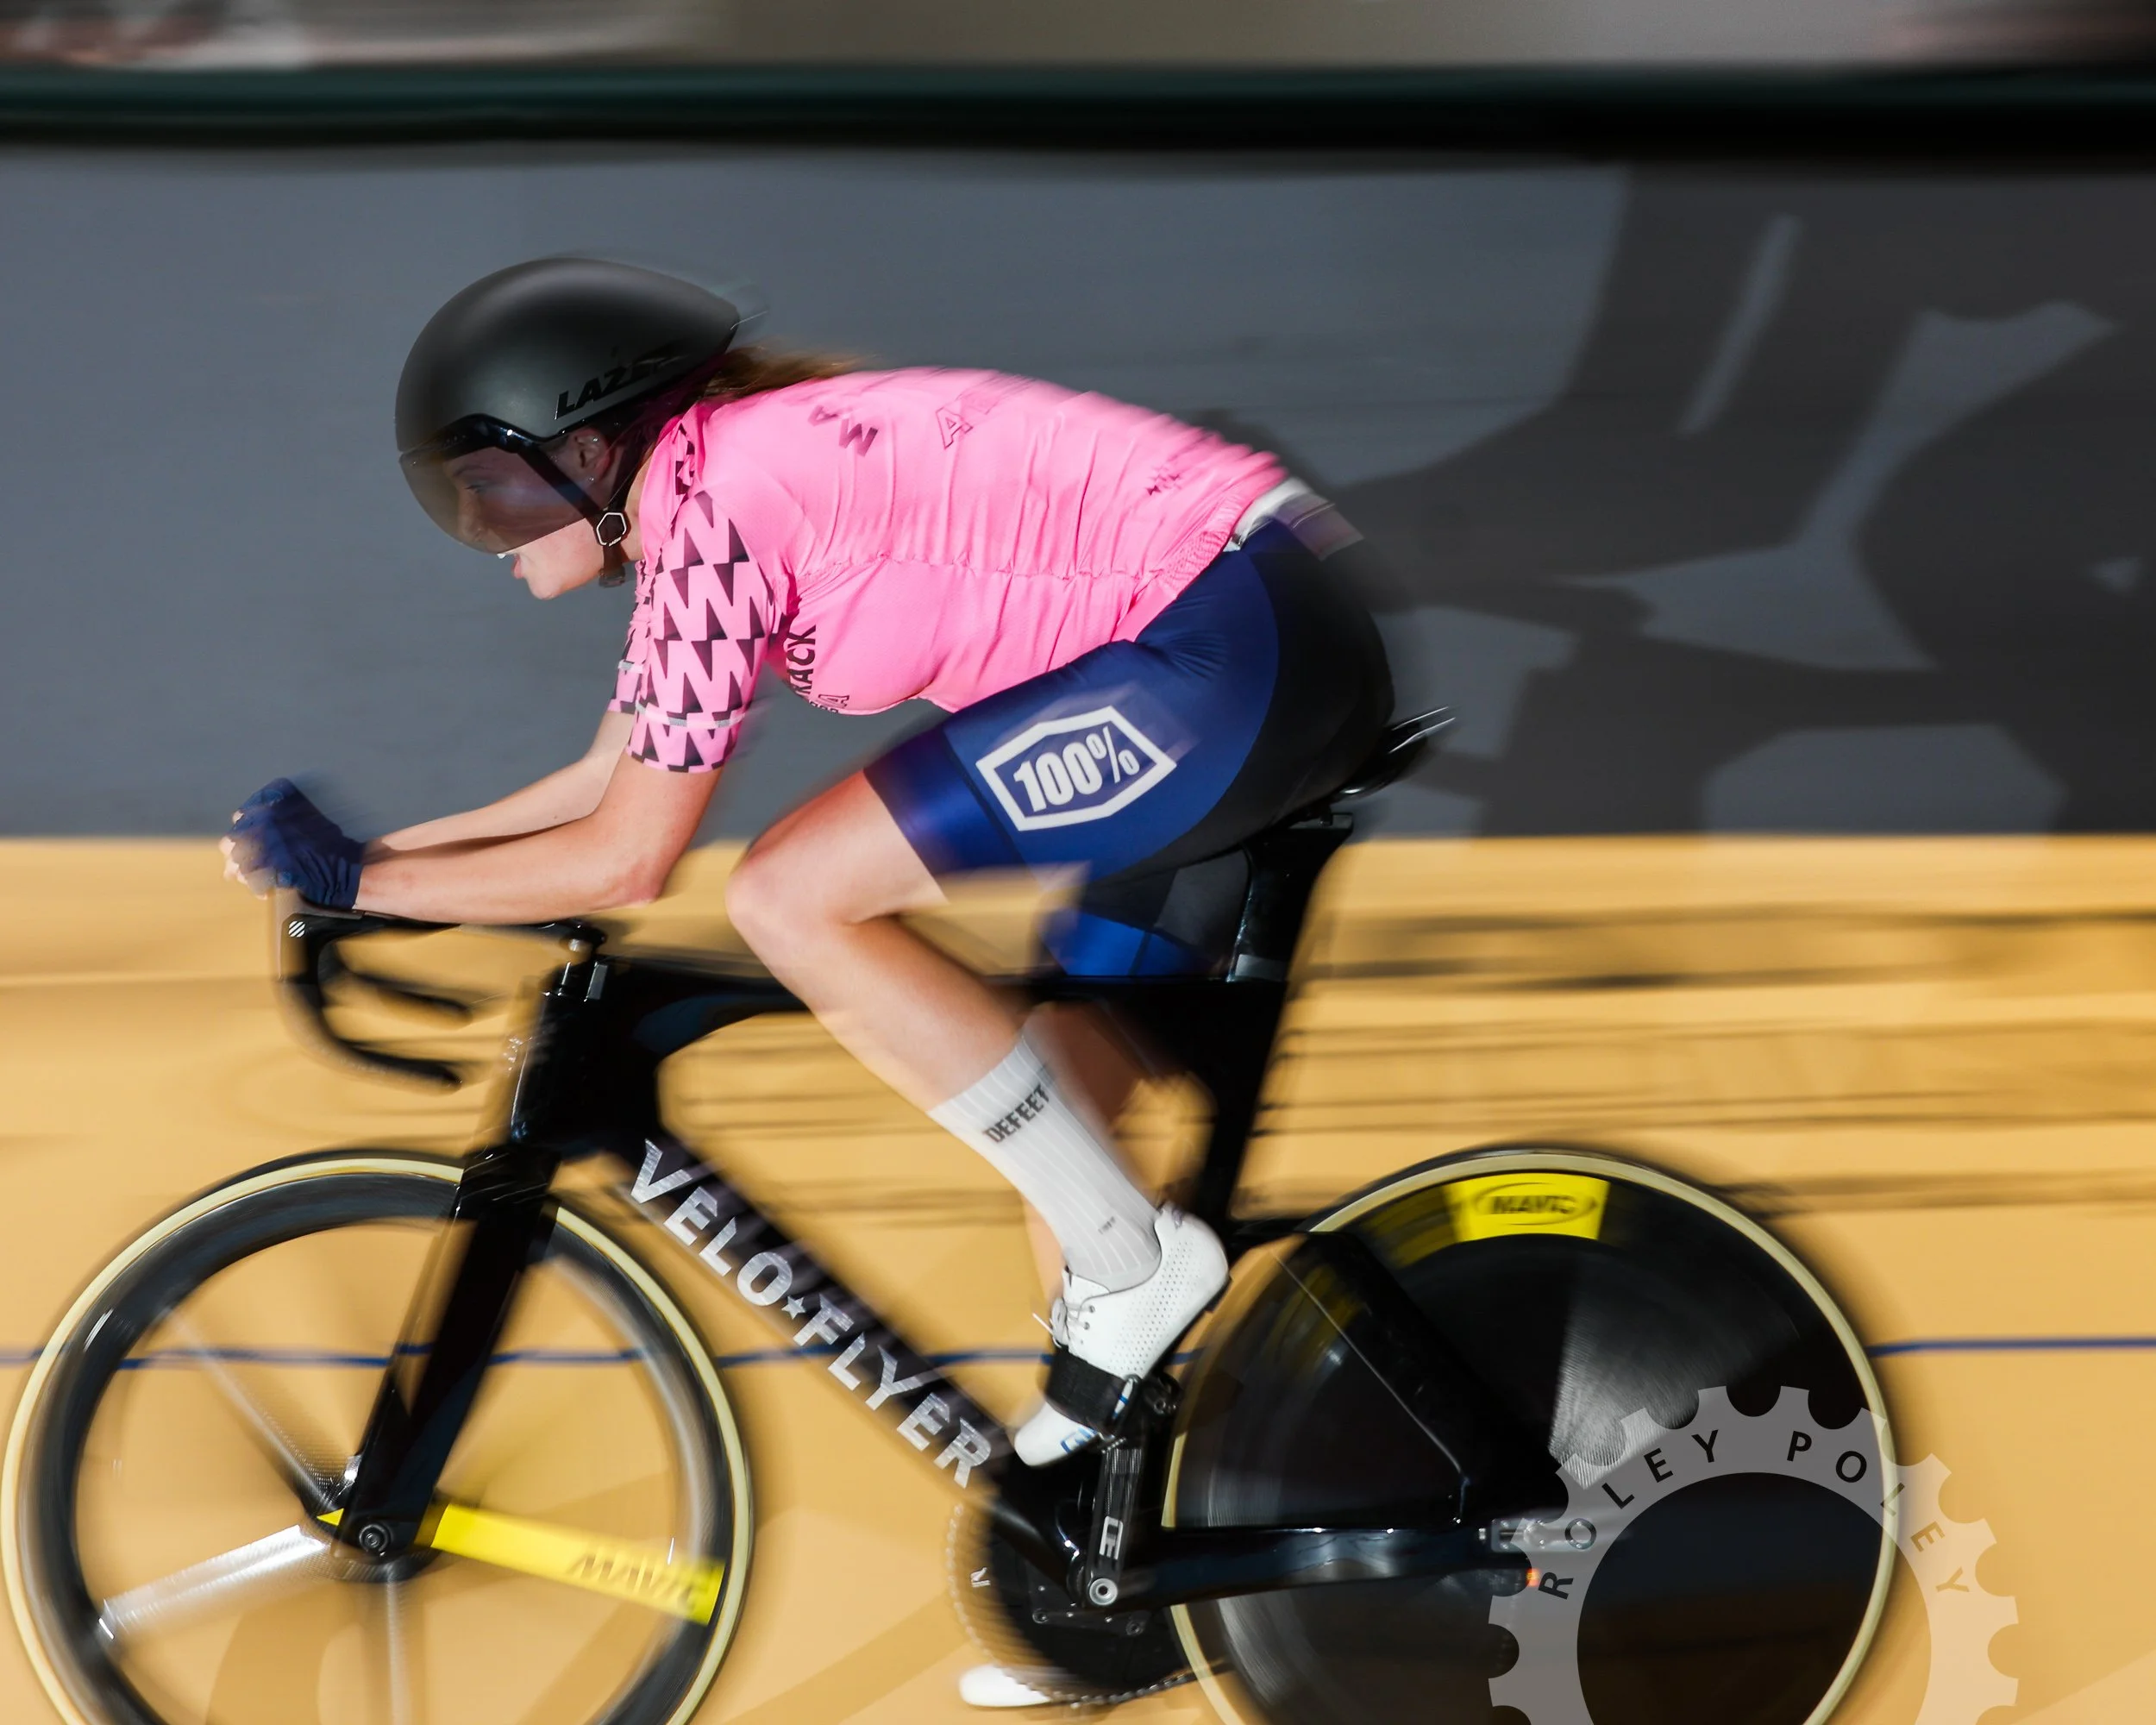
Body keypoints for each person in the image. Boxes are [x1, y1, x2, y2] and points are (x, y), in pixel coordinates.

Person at [222, 256, 1393, 1703]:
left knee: (791, 893)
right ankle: (1118, 1590)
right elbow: (607, 780)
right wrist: (374, 864)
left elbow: (628, 859)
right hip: (1235, 631)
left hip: (1226, 642)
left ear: (591, 449)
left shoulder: (717, 501)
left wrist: (367, 888)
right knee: (1065, 1127)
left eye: (494, 490)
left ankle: (1143, 1271)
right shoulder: (711, 487)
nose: (483, 533)